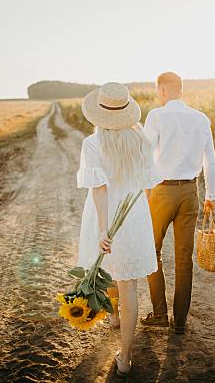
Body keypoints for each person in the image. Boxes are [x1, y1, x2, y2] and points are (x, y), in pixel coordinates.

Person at [76, 82, 162, 376]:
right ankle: (125, 357)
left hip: (105, 214)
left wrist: (103, 230)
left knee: (107, 268)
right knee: (129, 286)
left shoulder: (92, 143)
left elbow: (99, 190)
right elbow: (148, 187)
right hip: (134, 215)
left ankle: (113, 317)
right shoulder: (142, 141)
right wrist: (140, 218)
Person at [140, 71, 215, 334]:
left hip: (163, 191)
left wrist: (146, 191)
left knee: (152, 252)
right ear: (180, 91)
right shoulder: (201, 118)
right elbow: (211, 161)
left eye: (157, 91)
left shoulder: (156, 116)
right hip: (190, 192)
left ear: (162, 91)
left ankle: (160, 313)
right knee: (184, 258)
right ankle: (181, 320)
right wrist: (211, 196)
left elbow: (145, 157)